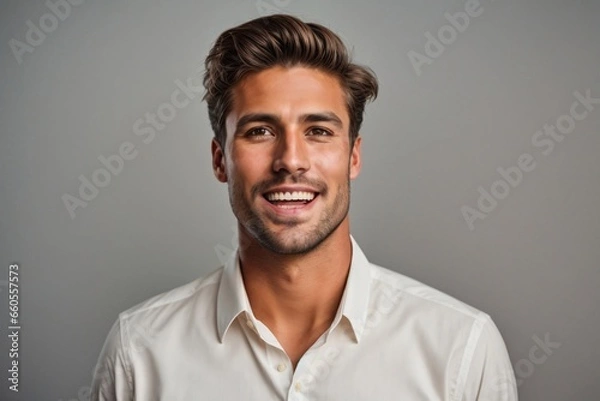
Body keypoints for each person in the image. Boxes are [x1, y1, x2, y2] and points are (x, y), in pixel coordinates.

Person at [90, 14, 518, 400]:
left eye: (318, 131)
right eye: (260, 130)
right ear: (220, 159)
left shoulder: (462, 350)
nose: (290, 159)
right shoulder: (139, 352)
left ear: (353, 157)